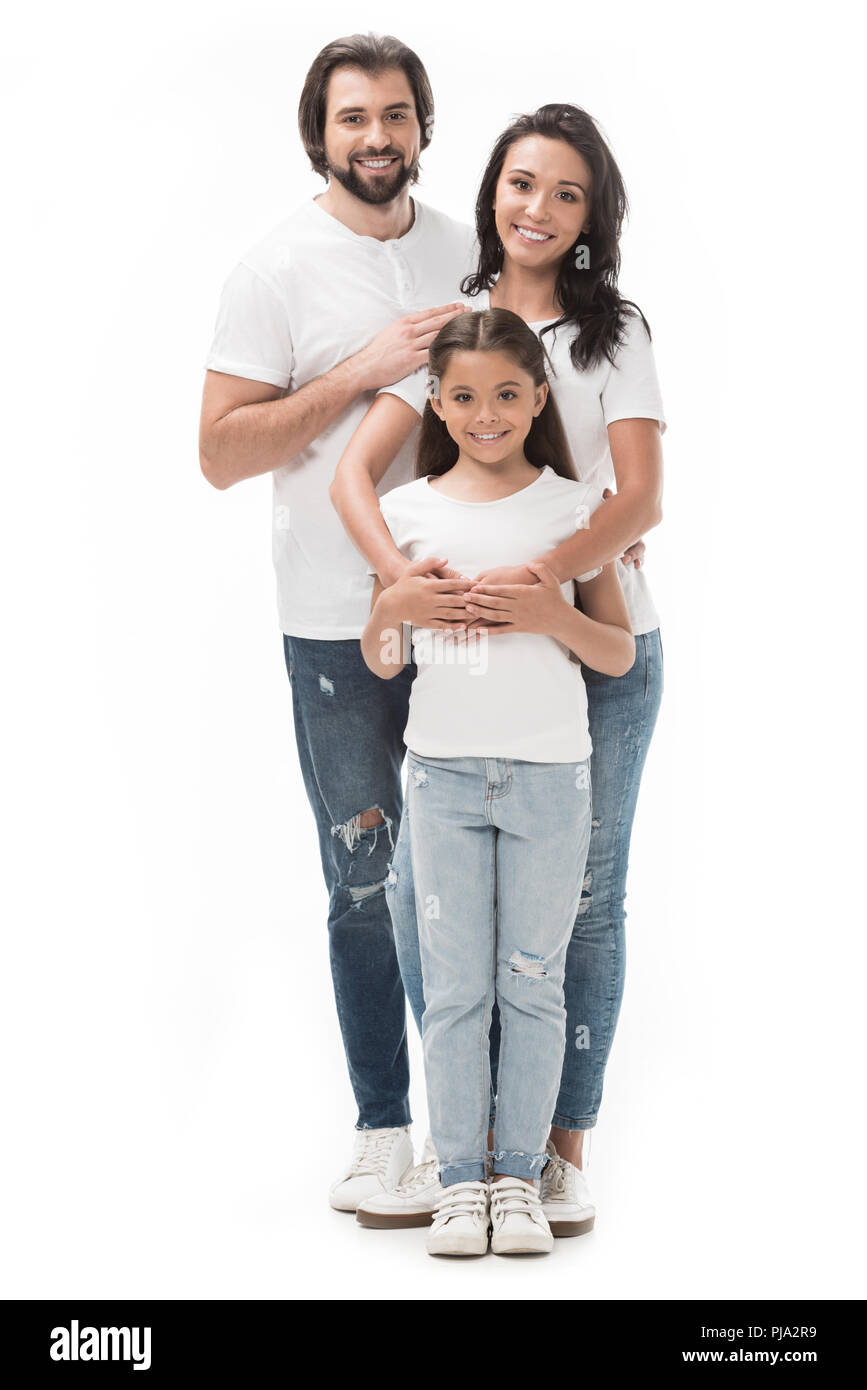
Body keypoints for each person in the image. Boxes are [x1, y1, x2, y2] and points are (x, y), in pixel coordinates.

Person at [331, 103, 666, 1235]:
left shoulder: (612, 333)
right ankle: (465, 1151)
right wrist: (404, 588)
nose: (539, 207)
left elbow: (640, 501)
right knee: (449, 925)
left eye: (567, 193)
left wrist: (549, 581)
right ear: (493, 194)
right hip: (464, 668)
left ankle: (554, 1152)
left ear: (589, 218)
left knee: (587, 908)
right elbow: (358, 483)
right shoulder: (455, 331)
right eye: (523, 183)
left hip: (588, 650)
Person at [198, 32, 479, 1210]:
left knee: (467, 871)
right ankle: (384, 1131)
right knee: (366, 873)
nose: (377, 138)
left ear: (423, 127)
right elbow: (218, 454)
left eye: (396, 115)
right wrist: (357, 374)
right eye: (354, 117)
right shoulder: (274, 270)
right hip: (332, 621)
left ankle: (477, 1139)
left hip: (472, 605)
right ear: (321, 133)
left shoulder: (466, 250)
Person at [360, 309, 634, 1255]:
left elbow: (615, 652)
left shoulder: (574, 511)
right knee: (453, 990)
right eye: (465, 397)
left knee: (532, 982)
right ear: (436, 402)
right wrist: (394, 600)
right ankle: (460, 1181)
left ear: (539, 398)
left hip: (550, 780)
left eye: (507, 395)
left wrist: (544, 615)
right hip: (439, 779)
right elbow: (385, 661)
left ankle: (517, 1178)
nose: (486, 415)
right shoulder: (407, 513)